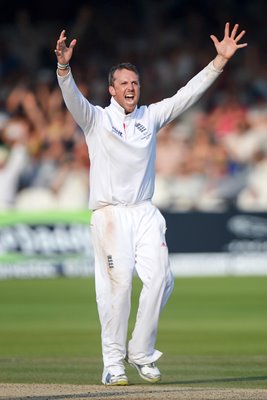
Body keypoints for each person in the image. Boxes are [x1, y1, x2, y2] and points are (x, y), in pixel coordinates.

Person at [54, 22, 247, 386]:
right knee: (119, 287)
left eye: (135, 83)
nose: (131, 88)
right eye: (124, 83)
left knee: (161, 279)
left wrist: (219, 62)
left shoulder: (150, 117)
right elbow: (73, 99)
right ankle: (113, 363)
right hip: (110, 213)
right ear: (112, 90)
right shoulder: (96, 119)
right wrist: (64, 69)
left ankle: (140, 353)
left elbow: (186, 95)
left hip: (144, 213)